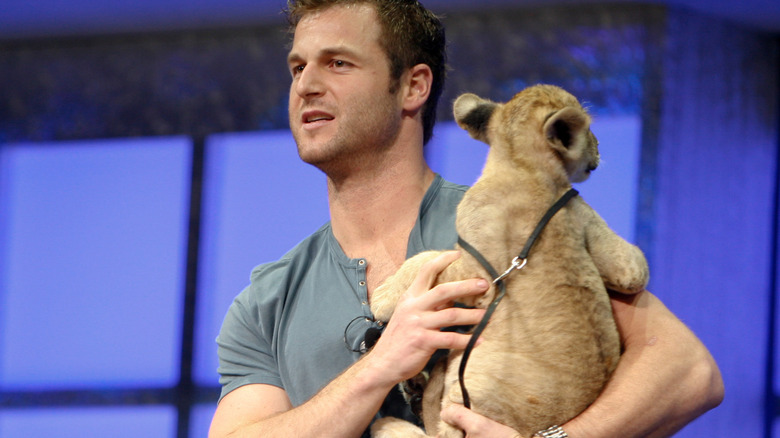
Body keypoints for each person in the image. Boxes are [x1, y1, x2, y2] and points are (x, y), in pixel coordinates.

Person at [208, 0, 724, 437]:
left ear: (413, 86)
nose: (306, 86)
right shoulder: (265, 303)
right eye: (298, 67)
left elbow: (687, 371)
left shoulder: (517, 215)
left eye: (337, 63)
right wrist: (380, 367)